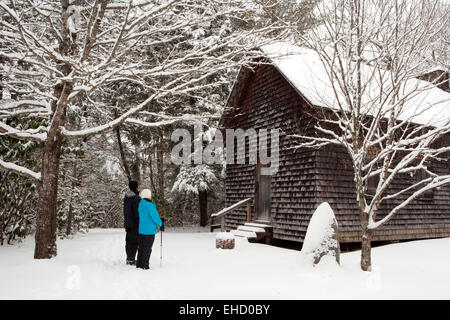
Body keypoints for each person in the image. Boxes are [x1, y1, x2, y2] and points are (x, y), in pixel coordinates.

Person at [136, 189, 162, 270]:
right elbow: (155, 217)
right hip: (149, 230)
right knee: (147, 248)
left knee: (141, 247)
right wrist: (160, 223)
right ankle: (145, 265)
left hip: (141, 229)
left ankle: (139, 264)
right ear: (148, 195)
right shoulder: (150, 205)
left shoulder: (141, 204)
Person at [123, 180, 140, 265]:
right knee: (134, 241)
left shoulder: (127, 197)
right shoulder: (136, 198)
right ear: (136, 187)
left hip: (128, 223)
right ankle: (131, 259)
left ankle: (129, 258)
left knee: (129, 241)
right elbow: (137, 212)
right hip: (134, 224)